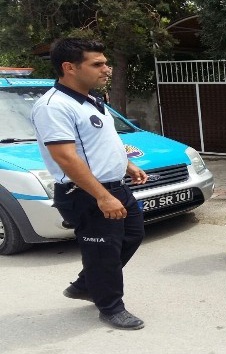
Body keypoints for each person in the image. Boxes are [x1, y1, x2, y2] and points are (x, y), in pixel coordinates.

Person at [30, 38, 148, 330]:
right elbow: (66, 158)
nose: (106, 69)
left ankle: (87, 284)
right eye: (97, 64)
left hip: (114, 186)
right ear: (69, 67)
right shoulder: (53, 106)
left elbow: (103, 141)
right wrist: (102, 196)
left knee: (133, 234)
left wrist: (127, 163)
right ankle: (110, 307)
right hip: (86, 192)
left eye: (105, 63)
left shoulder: (93, 100)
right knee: (103, 252)